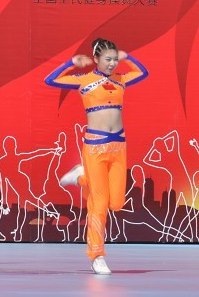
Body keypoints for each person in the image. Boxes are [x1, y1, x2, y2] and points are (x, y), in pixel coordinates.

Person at [44, 37, 148, 275]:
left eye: (115, 59)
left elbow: (143, 73)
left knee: (116, 203)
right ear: (96, 59)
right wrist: (70, 63)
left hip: (118, 147)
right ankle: (97, 254)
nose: (112, 64)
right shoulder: (85, 80)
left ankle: (82, 177)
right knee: (98, 204)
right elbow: (50, 80)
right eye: (108, 59)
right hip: (95, 148)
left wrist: (128, 57)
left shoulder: (121, 80)